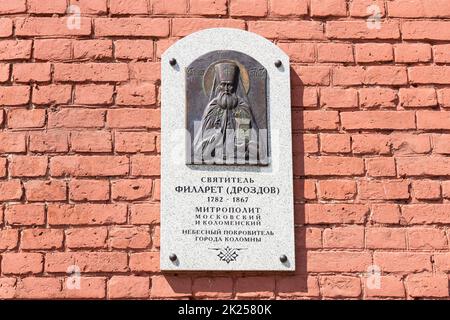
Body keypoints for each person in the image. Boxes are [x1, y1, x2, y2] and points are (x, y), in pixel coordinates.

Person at [193, 62, 261, 164]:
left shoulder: (242, 107)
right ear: (218, 86)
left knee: (254, 150)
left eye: (229, 85)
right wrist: (215, 136)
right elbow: (205, 135)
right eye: (223, 84)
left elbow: (245, 135)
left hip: (237, 149)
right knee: (200, 150)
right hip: (214, 147)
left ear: (234, 87)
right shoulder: (213, 107)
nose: (226, 89)